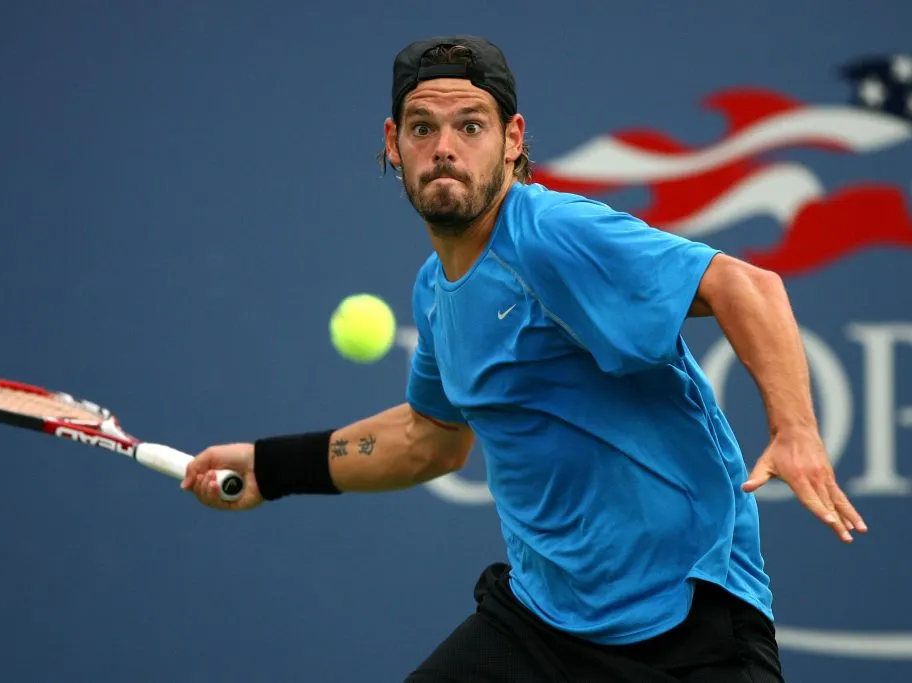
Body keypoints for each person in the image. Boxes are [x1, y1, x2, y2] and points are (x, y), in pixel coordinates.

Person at [182, 35, 867, 682]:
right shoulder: (435, 291)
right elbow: (429, 439)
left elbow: (747, 285)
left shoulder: (552, 235)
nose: (444, 147)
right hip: (545, 622)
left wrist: (796, 429)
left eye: (470, 126)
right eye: (422, 127)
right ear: (393, 145)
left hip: (686, 621)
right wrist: (271, 466)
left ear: (512, 141)